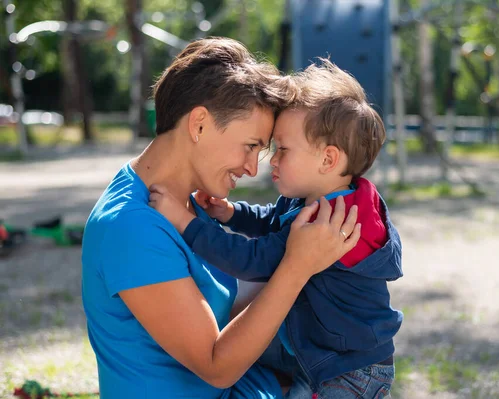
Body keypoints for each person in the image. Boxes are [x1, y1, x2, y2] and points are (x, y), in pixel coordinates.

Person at [81, 38, 361, 399]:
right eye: (250, 146)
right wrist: (297, 267)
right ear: (199, 124)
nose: (250, 168)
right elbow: (217, 366)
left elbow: (224, 304)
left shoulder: (179, 201)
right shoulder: (131, 228)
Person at [150, 59, 403, 398]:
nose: (271, 161)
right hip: (322, 350)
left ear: (328, 160)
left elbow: (252, 260)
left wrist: (184, 221)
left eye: (282, 149)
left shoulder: (330, 220)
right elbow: (275, 220)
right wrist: (232, 213)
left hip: (350, 370)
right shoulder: (321, 196)